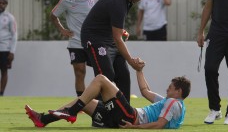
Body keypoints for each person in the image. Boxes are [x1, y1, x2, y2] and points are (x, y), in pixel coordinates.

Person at [25, 58, 191, 129]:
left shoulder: (173, 103)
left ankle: (72, 112)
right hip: (123, 118)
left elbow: (160, 125)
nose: (167, 89)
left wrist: (135, 128)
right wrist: (139, 70)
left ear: (179, 91)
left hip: (130, 118)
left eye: (170, 88)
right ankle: (43, 120)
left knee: (101, 79)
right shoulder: (174, 104)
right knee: (84, 101)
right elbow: (145, 91)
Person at [80, 0, 152, 102]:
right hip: (94, 39)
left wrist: (120, 31)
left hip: (108, 39)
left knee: (123, 76)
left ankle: (125, 116)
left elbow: (112, 26)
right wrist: (131, 62)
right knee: (105, 77)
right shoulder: (118, 1)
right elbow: (118, 38)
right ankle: (99, 117)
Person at [50, 0, 102, 97]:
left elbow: (105, 14)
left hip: (93, 42)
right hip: (75, 42)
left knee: (100, 73)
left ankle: (101, 101)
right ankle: (81, 103)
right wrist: (62, 30)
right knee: (79, 72)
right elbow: (53, 15)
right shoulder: (67, 0)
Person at [0, 0, 17, 96]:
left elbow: (14, 35)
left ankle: (1, 93)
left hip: (5, 48)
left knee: (4, 71)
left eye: (3, 3)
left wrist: (12, 51)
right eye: (0, 3)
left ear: (6, 4)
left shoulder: (10, 17)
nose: (1, 4)